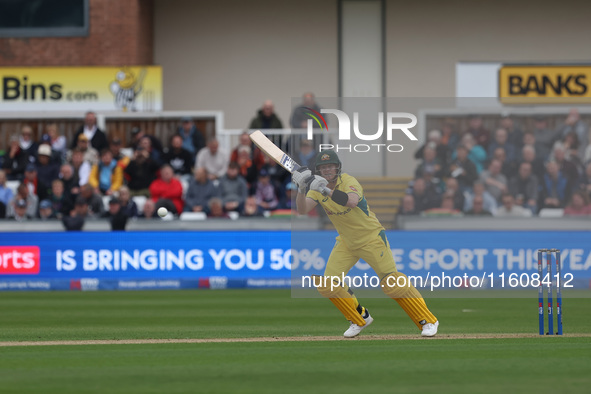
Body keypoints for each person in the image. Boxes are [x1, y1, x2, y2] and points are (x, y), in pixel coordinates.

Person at [293, 150, 439, 337]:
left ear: (337, 167)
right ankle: (359, 318)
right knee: (328, 284)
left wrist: (325, 190)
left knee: (392, 283)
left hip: (371, 238)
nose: (327, 170)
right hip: (346, 241)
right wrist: (301, 189)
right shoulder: (315, 188)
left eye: (330, 166)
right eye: (323, 167)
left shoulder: (349, 182)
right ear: (319, 170)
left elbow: (351, 202)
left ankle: (428, 321)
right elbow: (303, 209)